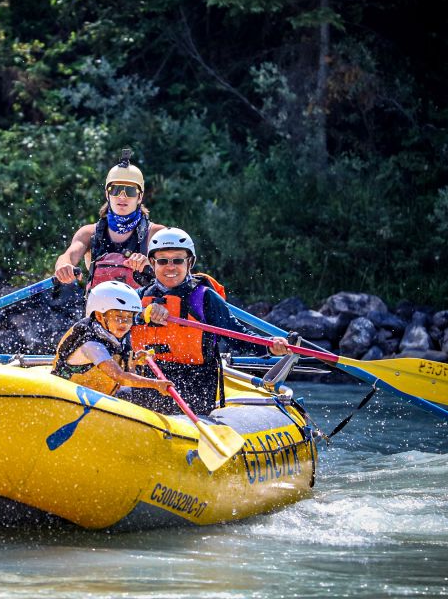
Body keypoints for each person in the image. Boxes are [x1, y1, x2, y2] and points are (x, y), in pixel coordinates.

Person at [128, 227, 289, 415]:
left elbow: (237, 335)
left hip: (195, 382)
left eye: (178, 260)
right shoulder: (136, 298)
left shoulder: (205, 298)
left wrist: (269, 346)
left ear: (189, 262)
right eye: (163, 261)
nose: (170, 267)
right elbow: (113, 323)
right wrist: (142, 315)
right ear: (153, 263)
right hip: (149, 378)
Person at [53, 149, 167, 289]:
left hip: (143, 309)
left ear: (140, 197)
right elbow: (68, 256)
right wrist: (64, 266)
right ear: (107, 195)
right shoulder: (88, 233)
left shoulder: (156, 234)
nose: (122, 196)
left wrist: (150, 265)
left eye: (130, 191)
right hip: (99, 309)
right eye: (115, 190)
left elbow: (174, 271)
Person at [52, 281, 173, 397]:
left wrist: (135, 361)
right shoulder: (91, 344)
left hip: (98, 396)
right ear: (99, 316)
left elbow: (127, 372)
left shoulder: (114, 333)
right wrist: (155, 384)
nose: (124, 323)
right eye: (119, 317)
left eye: (129, 318)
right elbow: (119, 377)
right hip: (67, 397)